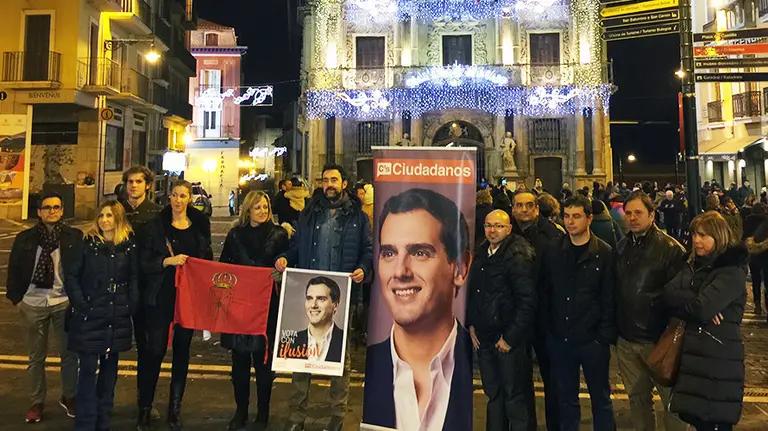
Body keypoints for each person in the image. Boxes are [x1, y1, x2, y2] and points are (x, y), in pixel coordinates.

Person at [363, 188, 473, 431]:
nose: (400, 271)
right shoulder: (371, 365)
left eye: (420, 252)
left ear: (460, 269)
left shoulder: (477, 362)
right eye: (389, 253)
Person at [274, 163, 372, 431]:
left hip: (341, 295)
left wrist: (364, 269)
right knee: (301, 356)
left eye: (334, 180)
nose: (329, 184)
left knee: (340, 360)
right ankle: (297, 418)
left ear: (344, 184)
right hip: (311, 293)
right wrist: (284, 258)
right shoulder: (309, 213)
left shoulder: (358, 216)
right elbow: (296, 247)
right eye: (326, 180)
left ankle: (337, 417)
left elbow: (367, 249)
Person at [137, 181, 213, 431]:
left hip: (188, 299)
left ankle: (175, 408)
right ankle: (145, 408)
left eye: (183, 196)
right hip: (161, 296)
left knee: (182, 353)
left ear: (189, 199)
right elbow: (144, 262)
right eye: (174, 195)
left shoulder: (200, 226)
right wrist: (166, 261)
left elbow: (207, 260)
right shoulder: (155, 226)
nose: (178, 200)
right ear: (168, 198)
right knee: (154, 352)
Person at [664, 211, 747, 431]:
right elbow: (668, 293)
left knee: (714, 422)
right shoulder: (694, 265)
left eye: (703, 235)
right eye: (694, 234)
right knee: (699, 421)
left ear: (718, 237)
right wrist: (696, 299)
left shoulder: (730, 271)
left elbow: (701, 309)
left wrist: (699, 303)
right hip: (696, 359)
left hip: (717, 361)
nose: (696, 240)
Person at [6, 192, 82, 423]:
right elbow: (14, 269)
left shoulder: (74, 236)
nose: (52, 211)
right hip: (33, 302)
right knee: (36, 357)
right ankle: (36, 402)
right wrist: (17, 299)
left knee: (69, 354)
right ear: (38, 212)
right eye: (47, 207)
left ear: (62, 210)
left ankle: (70, 396)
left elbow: (81, 267)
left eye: (57, 207)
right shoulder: (26, 238)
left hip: (62, 302)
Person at [615, 192, 687, 431]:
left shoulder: (670, 248)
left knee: (672, 403)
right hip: (627, 339)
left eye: (638, 213)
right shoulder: (622, 246)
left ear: (652, 215)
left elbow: (680, 297)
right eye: (628, 213)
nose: (633, 218)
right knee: (638, 401)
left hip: (658, 340)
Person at [543, 196, 616, 431]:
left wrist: (601, 337)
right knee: (566, 401)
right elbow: (545, 292)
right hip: (561, 339)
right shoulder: (553, 251)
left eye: (576, 216)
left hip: (592, 340)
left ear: (589, 218)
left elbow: (609, 297)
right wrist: (550, 332)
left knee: (601, 401)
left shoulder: (604, 253)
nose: (570, 222)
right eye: (566, 216)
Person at [65, 200, 139, 431]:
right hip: (90, 315)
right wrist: (82, 305)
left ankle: (103, 421)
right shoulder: (86, 245)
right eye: (101, 216)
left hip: (116, 316)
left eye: (109, 216)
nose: (104, 220)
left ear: (118, 219)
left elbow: (134, 279)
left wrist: (130, 305)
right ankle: (85, 423)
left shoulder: (128, 246)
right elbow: (72, 277)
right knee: (87, 372)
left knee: (110, 374)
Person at [219, 190, 289, 431]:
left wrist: (282, 266)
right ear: (248, 209)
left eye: (266, 206)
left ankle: (263, 412)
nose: (263, 211)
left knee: (264, 363)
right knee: (239, 362)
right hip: (239, 307)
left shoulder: (279, 235)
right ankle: (241, 410)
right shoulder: (235, 235)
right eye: (257, 207)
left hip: (267, 306)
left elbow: (288, 260)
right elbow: (224, 266)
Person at [468, 209, 537, 431]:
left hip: (507, 341)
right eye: (488, 225)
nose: (492, 230)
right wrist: (472, 324)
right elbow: (475, 292)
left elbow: (527, 301)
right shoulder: (481, 252)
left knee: (514, 398)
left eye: (498, 226)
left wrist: (509, 338)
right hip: (485, 338)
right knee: (494, 395)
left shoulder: (518, 255)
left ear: (508, 229)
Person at [511, 191, 564, 431]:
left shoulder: (554, 235)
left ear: (536, 209)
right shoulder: (505, 232)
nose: (524, 210)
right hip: (516, 320)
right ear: (513, 209)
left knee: (553, 380)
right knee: (519, 383)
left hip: (546, 320)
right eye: (519, 205)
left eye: (528, 205)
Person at [118, 165, 162, 421]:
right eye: (130, 181)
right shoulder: (115, 212)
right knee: (109, 347)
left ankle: (145, 401)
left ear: (148, 185)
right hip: (120, 288)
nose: (134, 185)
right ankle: (100, 401)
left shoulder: (157, 214)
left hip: (148, 290)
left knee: (150, 348)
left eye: (138, 181)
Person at [287, 277, 345, 362]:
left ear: (335, 306)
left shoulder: (344, 341)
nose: (313, 305)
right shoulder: (288, 343)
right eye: (309, 298)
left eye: (321, 299)